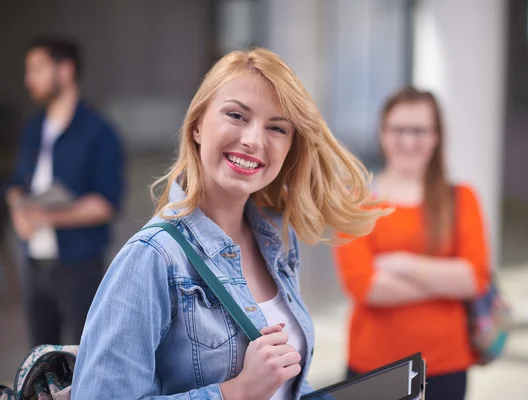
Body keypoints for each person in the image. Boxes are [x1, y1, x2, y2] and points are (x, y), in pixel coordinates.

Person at [71, 48, 388, 400]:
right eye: (236, 115)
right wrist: (235, 392)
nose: (254, 140)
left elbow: (283, 385)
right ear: (196, 125)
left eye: (276, 128)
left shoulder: (277, 242)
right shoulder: (152, 258)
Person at [334, 87, 491, 400]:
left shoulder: (462, 198)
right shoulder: (355, 202)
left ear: (436, 137)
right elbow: (364, 285)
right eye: (398, 130)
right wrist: (446, 279)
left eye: (419, 131)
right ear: (382, 134)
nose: (408, 141)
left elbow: (475, 279)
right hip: (373, 364)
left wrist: (403, 265)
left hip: (445, 365)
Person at [5, 35, 125, 346]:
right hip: (34, 261)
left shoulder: (100, 132)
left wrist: (44, 216)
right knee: (40, 358)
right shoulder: (33, 127)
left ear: (65, 70)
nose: (28, 79)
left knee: (82, 354)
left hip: (79, 264)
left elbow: (106, 203)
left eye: (36, 69)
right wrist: (19, 208)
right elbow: (16, 182)